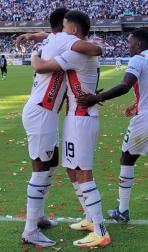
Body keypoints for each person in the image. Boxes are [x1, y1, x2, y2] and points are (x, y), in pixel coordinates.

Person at [17, 8, 104, 248]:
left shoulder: (53, 39)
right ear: (67, 28)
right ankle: (30, 230)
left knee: (51, 163)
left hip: (44, 112)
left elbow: (50, 35)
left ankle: (39, 216)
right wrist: (35, 55)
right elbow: (93, 48)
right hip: (42, 112)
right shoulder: (65, 39)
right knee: (41, 168)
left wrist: (33, 40)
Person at [78, 29, 148, 233]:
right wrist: (137, 103)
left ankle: (122, 210)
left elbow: (124, 85)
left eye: (130, 42)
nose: (127, 45)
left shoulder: (137, 60)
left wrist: (96, 98)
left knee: (126, 160)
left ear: (139, 44)